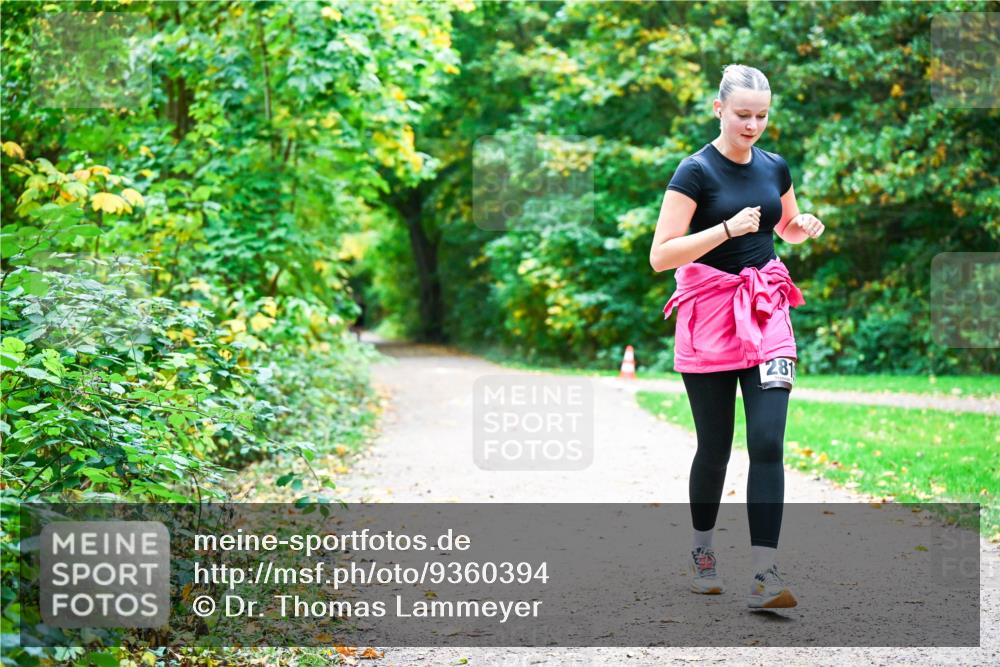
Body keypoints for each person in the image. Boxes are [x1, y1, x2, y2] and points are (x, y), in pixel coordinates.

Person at [648, 64, 825, 610]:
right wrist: (725, 229)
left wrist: (804, 225)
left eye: (762, 116)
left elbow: (785, 226)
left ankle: (765, 575)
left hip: (766, 307)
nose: (752, 126)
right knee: (716, 447)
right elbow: (661, 256)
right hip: (709, 314)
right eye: (743, 115)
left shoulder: (775, 167)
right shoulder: (695, 172)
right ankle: (703, 552)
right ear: (718, 109)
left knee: (768, 442)